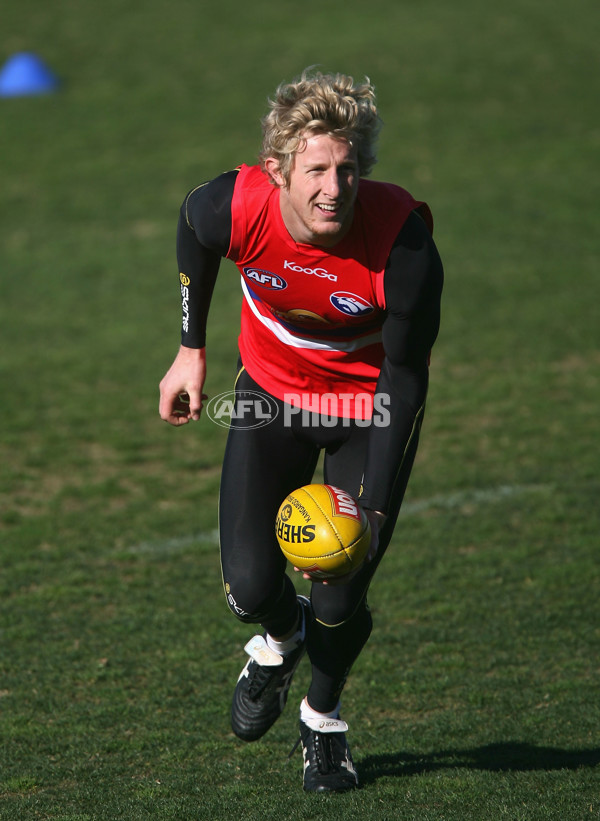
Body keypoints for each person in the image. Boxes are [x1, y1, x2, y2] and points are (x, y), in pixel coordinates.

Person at [159, 68, 443, 793]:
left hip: (364, 414)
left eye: (348, 169)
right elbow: (194, 228)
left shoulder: (404, 249)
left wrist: (374, 508)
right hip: (268, 399)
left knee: (340, 593)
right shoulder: (234, 205)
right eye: (315, 168)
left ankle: (324, 721)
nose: (333, 187)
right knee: (252, 585)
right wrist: (190, 351)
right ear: (279, 169)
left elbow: (405, 379)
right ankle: (279, 642)